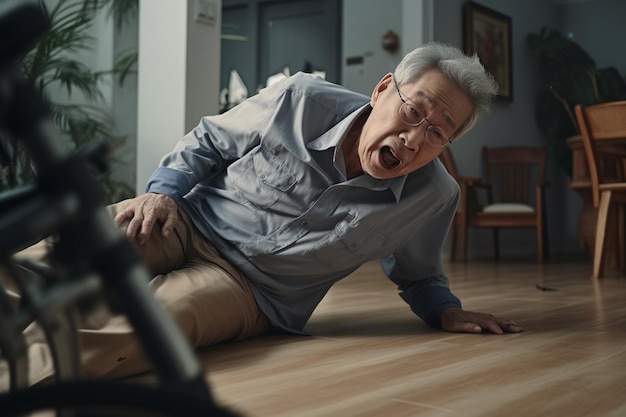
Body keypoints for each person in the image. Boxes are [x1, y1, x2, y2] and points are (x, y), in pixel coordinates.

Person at [17, 42, 523, 382]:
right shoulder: (299, 97)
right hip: (187, 218)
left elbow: (418, 275)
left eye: (438, 133)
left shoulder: (435, 195)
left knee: (143, 323)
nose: (415, 138)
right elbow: (210, 141)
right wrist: (161, 191)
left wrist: (446, 309)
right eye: (413, 111)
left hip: (252, 291)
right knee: (54, 256)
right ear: (383, 89)